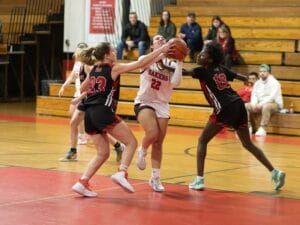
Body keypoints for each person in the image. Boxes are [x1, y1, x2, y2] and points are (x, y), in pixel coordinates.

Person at [71, 41, 173, 197]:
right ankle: (122, 172)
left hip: (89, 114)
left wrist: (87, 93)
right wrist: (161, 50)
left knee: (103, 153)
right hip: (102, 111)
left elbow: (84, 88)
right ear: (106, 55)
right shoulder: (113, 68)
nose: (115, 53)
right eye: (112, 51)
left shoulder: (94, 70)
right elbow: (141, 62)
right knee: (131, 143)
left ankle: (82, 182)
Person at [182, 42, 285, 191]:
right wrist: (249, 80)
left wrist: (172, 62)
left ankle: (199, 180)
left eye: (203, 54)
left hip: (225, 108)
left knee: (202, 140)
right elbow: (242, 77)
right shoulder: (220, 68)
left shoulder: (201, 70)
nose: (199, 55)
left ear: (210, 59)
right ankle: (275, 172)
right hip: (239, 105)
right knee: (247, 144)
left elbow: (183, 72)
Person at [59, 44, 125, 162]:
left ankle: (118, 146)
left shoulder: (89, 67)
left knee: (96, 129)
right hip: (86, 99)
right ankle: (73, 152)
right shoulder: (80, 66)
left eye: (77, 54)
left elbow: (92, 88)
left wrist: (79, 98)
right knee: (75, 123)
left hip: (91, 100)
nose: (75, 56)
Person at [134, 35, 183, 192]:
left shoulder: (171, 64)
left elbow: (175, 83)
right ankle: (142, 149)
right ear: (152, 46)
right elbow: (142, 63)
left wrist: (180, 61)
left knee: (159, 142)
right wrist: (161, 52)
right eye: (157, 39)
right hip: (145, 101)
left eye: (163, 38)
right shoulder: (145, 58)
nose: (161, 39)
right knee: (153, 133)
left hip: (162, 103)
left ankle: (155, 178)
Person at [245, 64, 283, 136]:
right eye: (260, 71)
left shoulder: (274, 82)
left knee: (266, 106)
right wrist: (254, 104)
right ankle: (248, 127)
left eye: (264, 71)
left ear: (268, 73)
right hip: (259, 104)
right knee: (246, 106)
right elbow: (254, 95)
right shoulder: (257, 83)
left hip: (274, 104)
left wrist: (260, 104)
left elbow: (272, 97)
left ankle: (263, 128)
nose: (262, 73)